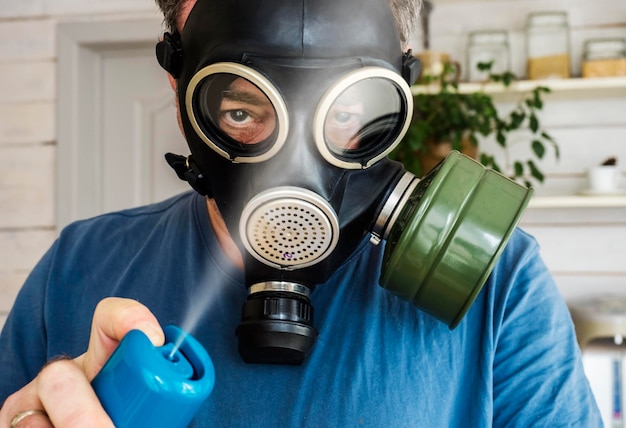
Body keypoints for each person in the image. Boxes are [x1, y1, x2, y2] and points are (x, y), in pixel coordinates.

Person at [0, 0, 602, 426]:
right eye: (242, 112)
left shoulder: (499, 281)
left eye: (344, 113)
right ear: (178, 89)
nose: (291, 172)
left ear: (401, 89)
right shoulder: (76, 270)